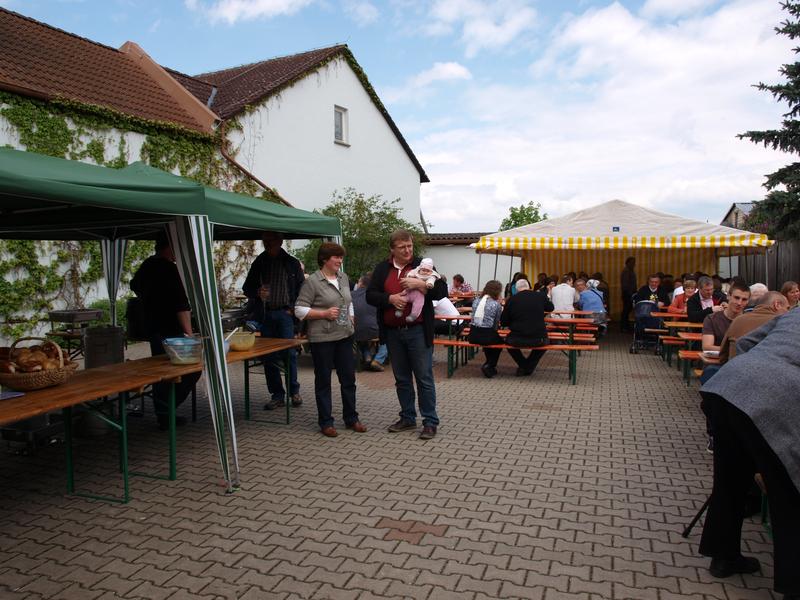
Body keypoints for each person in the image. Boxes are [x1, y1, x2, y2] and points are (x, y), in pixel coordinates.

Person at [698, 309, 800, 599]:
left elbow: (743, 342)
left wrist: (752, 377)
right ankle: (793, 585)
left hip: (729, 386)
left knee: (729, 481)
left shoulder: (794, 313)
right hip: (775, 398)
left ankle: (723, 557)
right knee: (789, 493)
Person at [366, 230, 447, 440]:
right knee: (402, 379)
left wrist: (421, 285)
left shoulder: (422, 264)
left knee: (424, 378)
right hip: (393, 332)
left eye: (409, 246)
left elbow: (442, 291)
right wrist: (390, 299)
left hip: (418, 331)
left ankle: (430, 421)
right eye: (402, 247)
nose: (407, 250)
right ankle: (408, 417)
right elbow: (370, 295)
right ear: (392, 249)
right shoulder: (382, 268)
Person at [130, 231, 201, 431]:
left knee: (162, 372)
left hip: (153, 328)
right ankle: (166, 410)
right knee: (190, 370)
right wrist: (189, 334)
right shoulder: (170, 269)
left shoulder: (147, 265)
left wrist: (151, 299)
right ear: (170, 247)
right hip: (171, 331)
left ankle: (163, 413)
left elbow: (134, 285)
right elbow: (181, 305)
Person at [294, 242, 366, 437]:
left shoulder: (343, 277)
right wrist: (323, 313)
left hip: (345, 335)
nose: (340, 260)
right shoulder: (312, 282)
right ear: (324, 259)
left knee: (348, 379)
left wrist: (351, 316)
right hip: (322, 339)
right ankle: (326, 422)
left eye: (341, 257)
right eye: (336, 257)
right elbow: (299, 310)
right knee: (323, 381)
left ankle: (351, 419)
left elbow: (348, 301)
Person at [242, 231, 305, 411]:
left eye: (271, 240)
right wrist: (257, 292)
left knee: (289, 354)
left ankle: (294, 391)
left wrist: (292, 309)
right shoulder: (260, 262)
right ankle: (277, 395)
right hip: (266, 314)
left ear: (280, 241)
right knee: (269, 356)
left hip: (285, 314)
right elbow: (247, 288)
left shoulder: (292, 263)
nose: (267, 243)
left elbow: (302, 289)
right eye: (265, 240)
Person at [500, 279, 554, 376]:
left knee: (508, 342)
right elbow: (550, 308)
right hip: (539, 338)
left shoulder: (512, 300)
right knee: (545, 344)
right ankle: (528, 366)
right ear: (529, 287)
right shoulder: (540, 296)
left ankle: (523, 365)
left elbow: (503, 322)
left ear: (516, 289)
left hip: (516, 339)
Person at [718, 291, 788, 363]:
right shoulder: (782, 324)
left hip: (734, 367)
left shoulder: (738, 320)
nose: (788, 312)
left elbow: (723, 355)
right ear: (777, 305)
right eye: (787, 308)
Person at [467, 280, 504, 378]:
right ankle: (489, 364)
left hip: (473, 334)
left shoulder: (476, 301)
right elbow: (496, 323)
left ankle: (489, 364)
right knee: (500, 343)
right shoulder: (496, 304)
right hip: (487, 334)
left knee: (489, 343)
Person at [701, 282, 750, 354]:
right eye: (736, 298)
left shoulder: (750, 321)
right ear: (728, 296)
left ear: (748, 301)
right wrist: (736, 350)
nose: (739, 303)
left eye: (744, 299)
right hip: (718, 360)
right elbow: (707, 347)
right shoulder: (712, 319)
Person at [352, 274, 387, 372]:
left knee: (362, 336)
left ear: (360, 283)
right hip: (375, 330)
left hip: (355, 331)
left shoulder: (351, 295)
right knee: (388, 337)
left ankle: (367, 356)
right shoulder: (376, 296)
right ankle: (378, 360)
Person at [399, 258, 441, 322]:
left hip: (419, 295)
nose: (425, 272)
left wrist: (427, 284)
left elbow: (439, 290)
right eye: (423, 270)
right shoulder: (416, 270)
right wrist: (409, 275)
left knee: (418, 304)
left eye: (428, 271)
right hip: (409, 291)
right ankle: (399, 310)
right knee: (402, 298)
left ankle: (413, 316)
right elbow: (412, 273)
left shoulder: (432, 275)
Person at [620, 256, 637, 331]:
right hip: (628, 294)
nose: (634, 264)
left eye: (634, 262)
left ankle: (625, 325)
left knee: (627, 310)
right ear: (627, 263)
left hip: (629, 293)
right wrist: (630, 294)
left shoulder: (629, 270)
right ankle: (624, 326)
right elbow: (625, 284)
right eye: (632, 262)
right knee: (626, 310)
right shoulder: (626, 271)